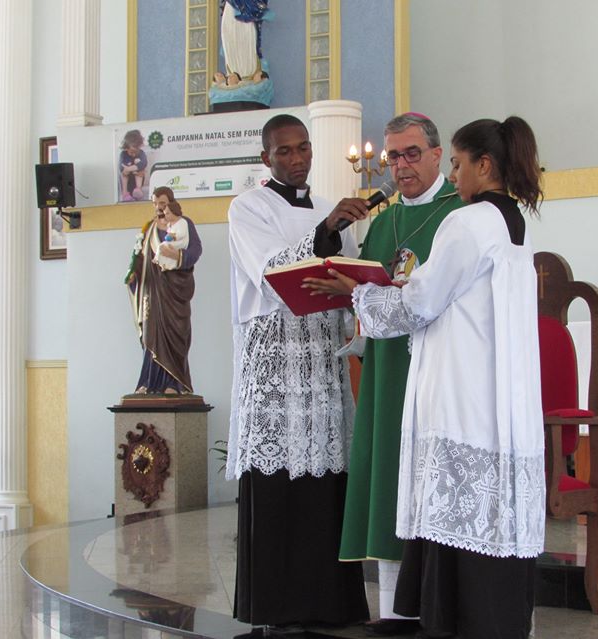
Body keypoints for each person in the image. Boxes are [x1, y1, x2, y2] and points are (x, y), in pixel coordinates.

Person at [305, 116, 546, 639]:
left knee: (457, 517)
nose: (455, 176)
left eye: (458, 164)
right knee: (490, 521)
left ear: (485, 165)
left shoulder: (466, 221)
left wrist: (356, 292)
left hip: (462, 394)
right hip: (501, 396)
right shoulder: (515, 222)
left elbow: (418, 303)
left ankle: (454, 622)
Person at [225, 113, 370, 632]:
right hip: (275, 364)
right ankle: (277, 610)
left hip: (322, 364)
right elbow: (272, 271)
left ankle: (331, 606)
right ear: (265, 158)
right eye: (283, 151)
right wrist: (326, 231)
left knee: (324, 487)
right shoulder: (248, 208)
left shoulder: (330, 206)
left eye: (303, 147)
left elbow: (345, 279)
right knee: (279, 487)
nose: (296, 158)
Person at [320, 113, 464, 636]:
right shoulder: (382, 224)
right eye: (393, 156)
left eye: (411, 153)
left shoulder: (461, 216)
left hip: (440, 370)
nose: (401, 166)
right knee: (389, 478)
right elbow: (367, 297)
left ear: (436, 155)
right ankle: (397, 611)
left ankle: (444, 605)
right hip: (386, 372)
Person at [126, 187, 202, 395]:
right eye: (155, 203)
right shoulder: (148, 229)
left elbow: (196, 250)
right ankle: (148, 382)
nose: (158, 207)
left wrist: (178, 257)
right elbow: (140, 258)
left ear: (171, 202)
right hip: (152, 291)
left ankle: (174, 383)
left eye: (162, 203)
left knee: (175, 333)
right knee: (151, 335)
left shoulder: (183, 223)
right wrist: (133, 274)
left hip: (174, 291)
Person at [119, 129, 148, 202]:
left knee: (139, 166)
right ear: (126, 148)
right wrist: (126, 170)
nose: (134, 154)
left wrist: (130, 168)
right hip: (128, 179)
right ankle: (125, 193)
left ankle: (138, 189)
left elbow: (144, 163)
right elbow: (121, 167)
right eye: (131, 152)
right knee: (124, 173)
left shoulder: (141, 153)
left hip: (137, 177)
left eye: (136, 152)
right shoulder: (123, 154)